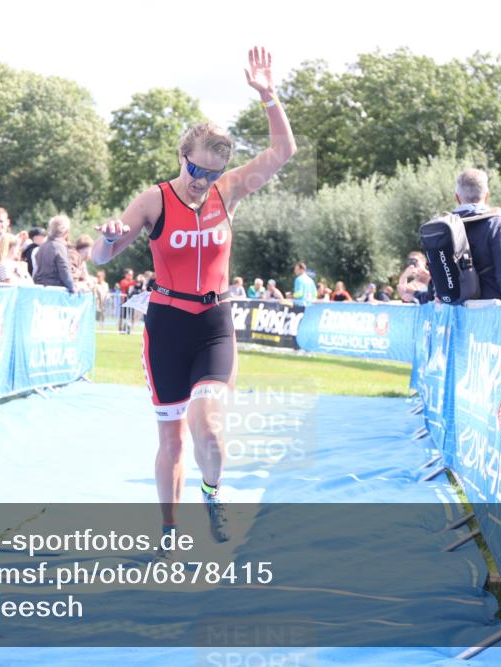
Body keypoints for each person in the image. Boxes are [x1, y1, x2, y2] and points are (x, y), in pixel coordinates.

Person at [91, 46, 295, 546]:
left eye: (211, 174)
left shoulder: (227, 191)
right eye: (196, 171)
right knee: (172, 437)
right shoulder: (154, 199)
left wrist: (269, 97)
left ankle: (212, 490)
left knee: (209, 433)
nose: (202, 183)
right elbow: (99, 257)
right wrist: (112, 236)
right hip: (166, 326)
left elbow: (283, 152)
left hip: (213, 325)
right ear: (183, 157)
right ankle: (168, 530)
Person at [451, 168, 501, 300]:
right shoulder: (497, 224)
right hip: (489, 310)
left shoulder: (445, 226)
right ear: (487, 196)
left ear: (457, 198)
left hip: (452, 310)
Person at [33, 214, 76, 291]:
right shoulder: (59, 247)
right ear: (66, 232)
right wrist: (73, 287)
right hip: (55, 290)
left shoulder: (43, 246)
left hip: (40, 288)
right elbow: (64, 273)